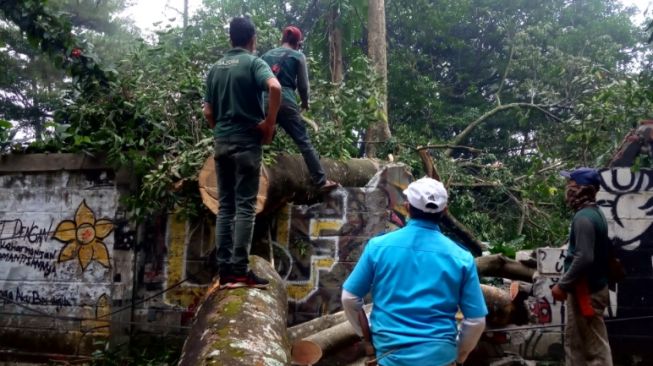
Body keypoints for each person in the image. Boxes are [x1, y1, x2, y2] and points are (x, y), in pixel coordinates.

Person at [341, 177, 488, 366]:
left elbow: (349, 298)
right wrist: (459, 356)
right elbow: (476, 320)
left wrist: (366, 334)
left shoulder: (378, 247)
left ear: (407, 207)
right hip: (441, 358)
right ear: (444, 210)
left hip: (390, 357)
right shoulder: (461, 257)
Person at [203, 17, 281, 289]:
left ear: (230, 39)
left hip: (222, 142)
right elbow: (275, 87)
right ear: (252, 40)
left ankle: (225, 272)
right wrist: (268, 125)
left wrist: (220, 130)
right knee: (245, 206)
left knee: (225, 206)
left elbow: (208, 112)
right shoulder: (253, 63)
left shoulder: (215, 69)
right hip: (247, 142)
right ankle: (239, 270)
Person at [261, 26, 337, 192]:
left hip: (265, 101)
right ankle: (320, 180)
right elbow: (303, 85)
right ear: (297, 43)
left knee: (260, 139)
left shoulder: (266, 56)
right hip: (286, 101)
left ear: (282, 39)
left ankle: (249, 173)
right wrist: (304, 103)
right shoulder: (298, 56)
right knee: (303, 141)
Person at [552, 167, 613, 366]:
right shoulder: (596, 214)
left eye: (570, 184)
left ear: (580, 189)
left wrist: (563, 284)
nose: (567, 189)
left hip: (586, 291)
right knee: (579, 343)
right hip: (590, 288)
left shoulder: (584, 218)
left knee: (595, 348)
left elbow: (584, 257)